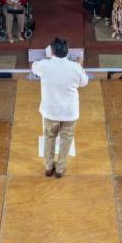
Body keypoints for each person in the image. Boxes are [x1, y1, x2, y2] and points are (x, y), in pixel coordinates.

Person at [30, 38, 88, 178]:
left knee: (49, 137)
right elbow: (84, 83)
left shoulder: (45, 65)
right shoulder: (74, 67)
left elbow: (33, 66)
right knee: (66, 139)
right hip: (69, 111)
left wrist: (48, 59)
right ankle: (60, 169)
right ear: (67, 52)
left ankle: (49, 166)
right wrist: (79, 65)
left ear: (53, 51)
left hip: (50, 111)